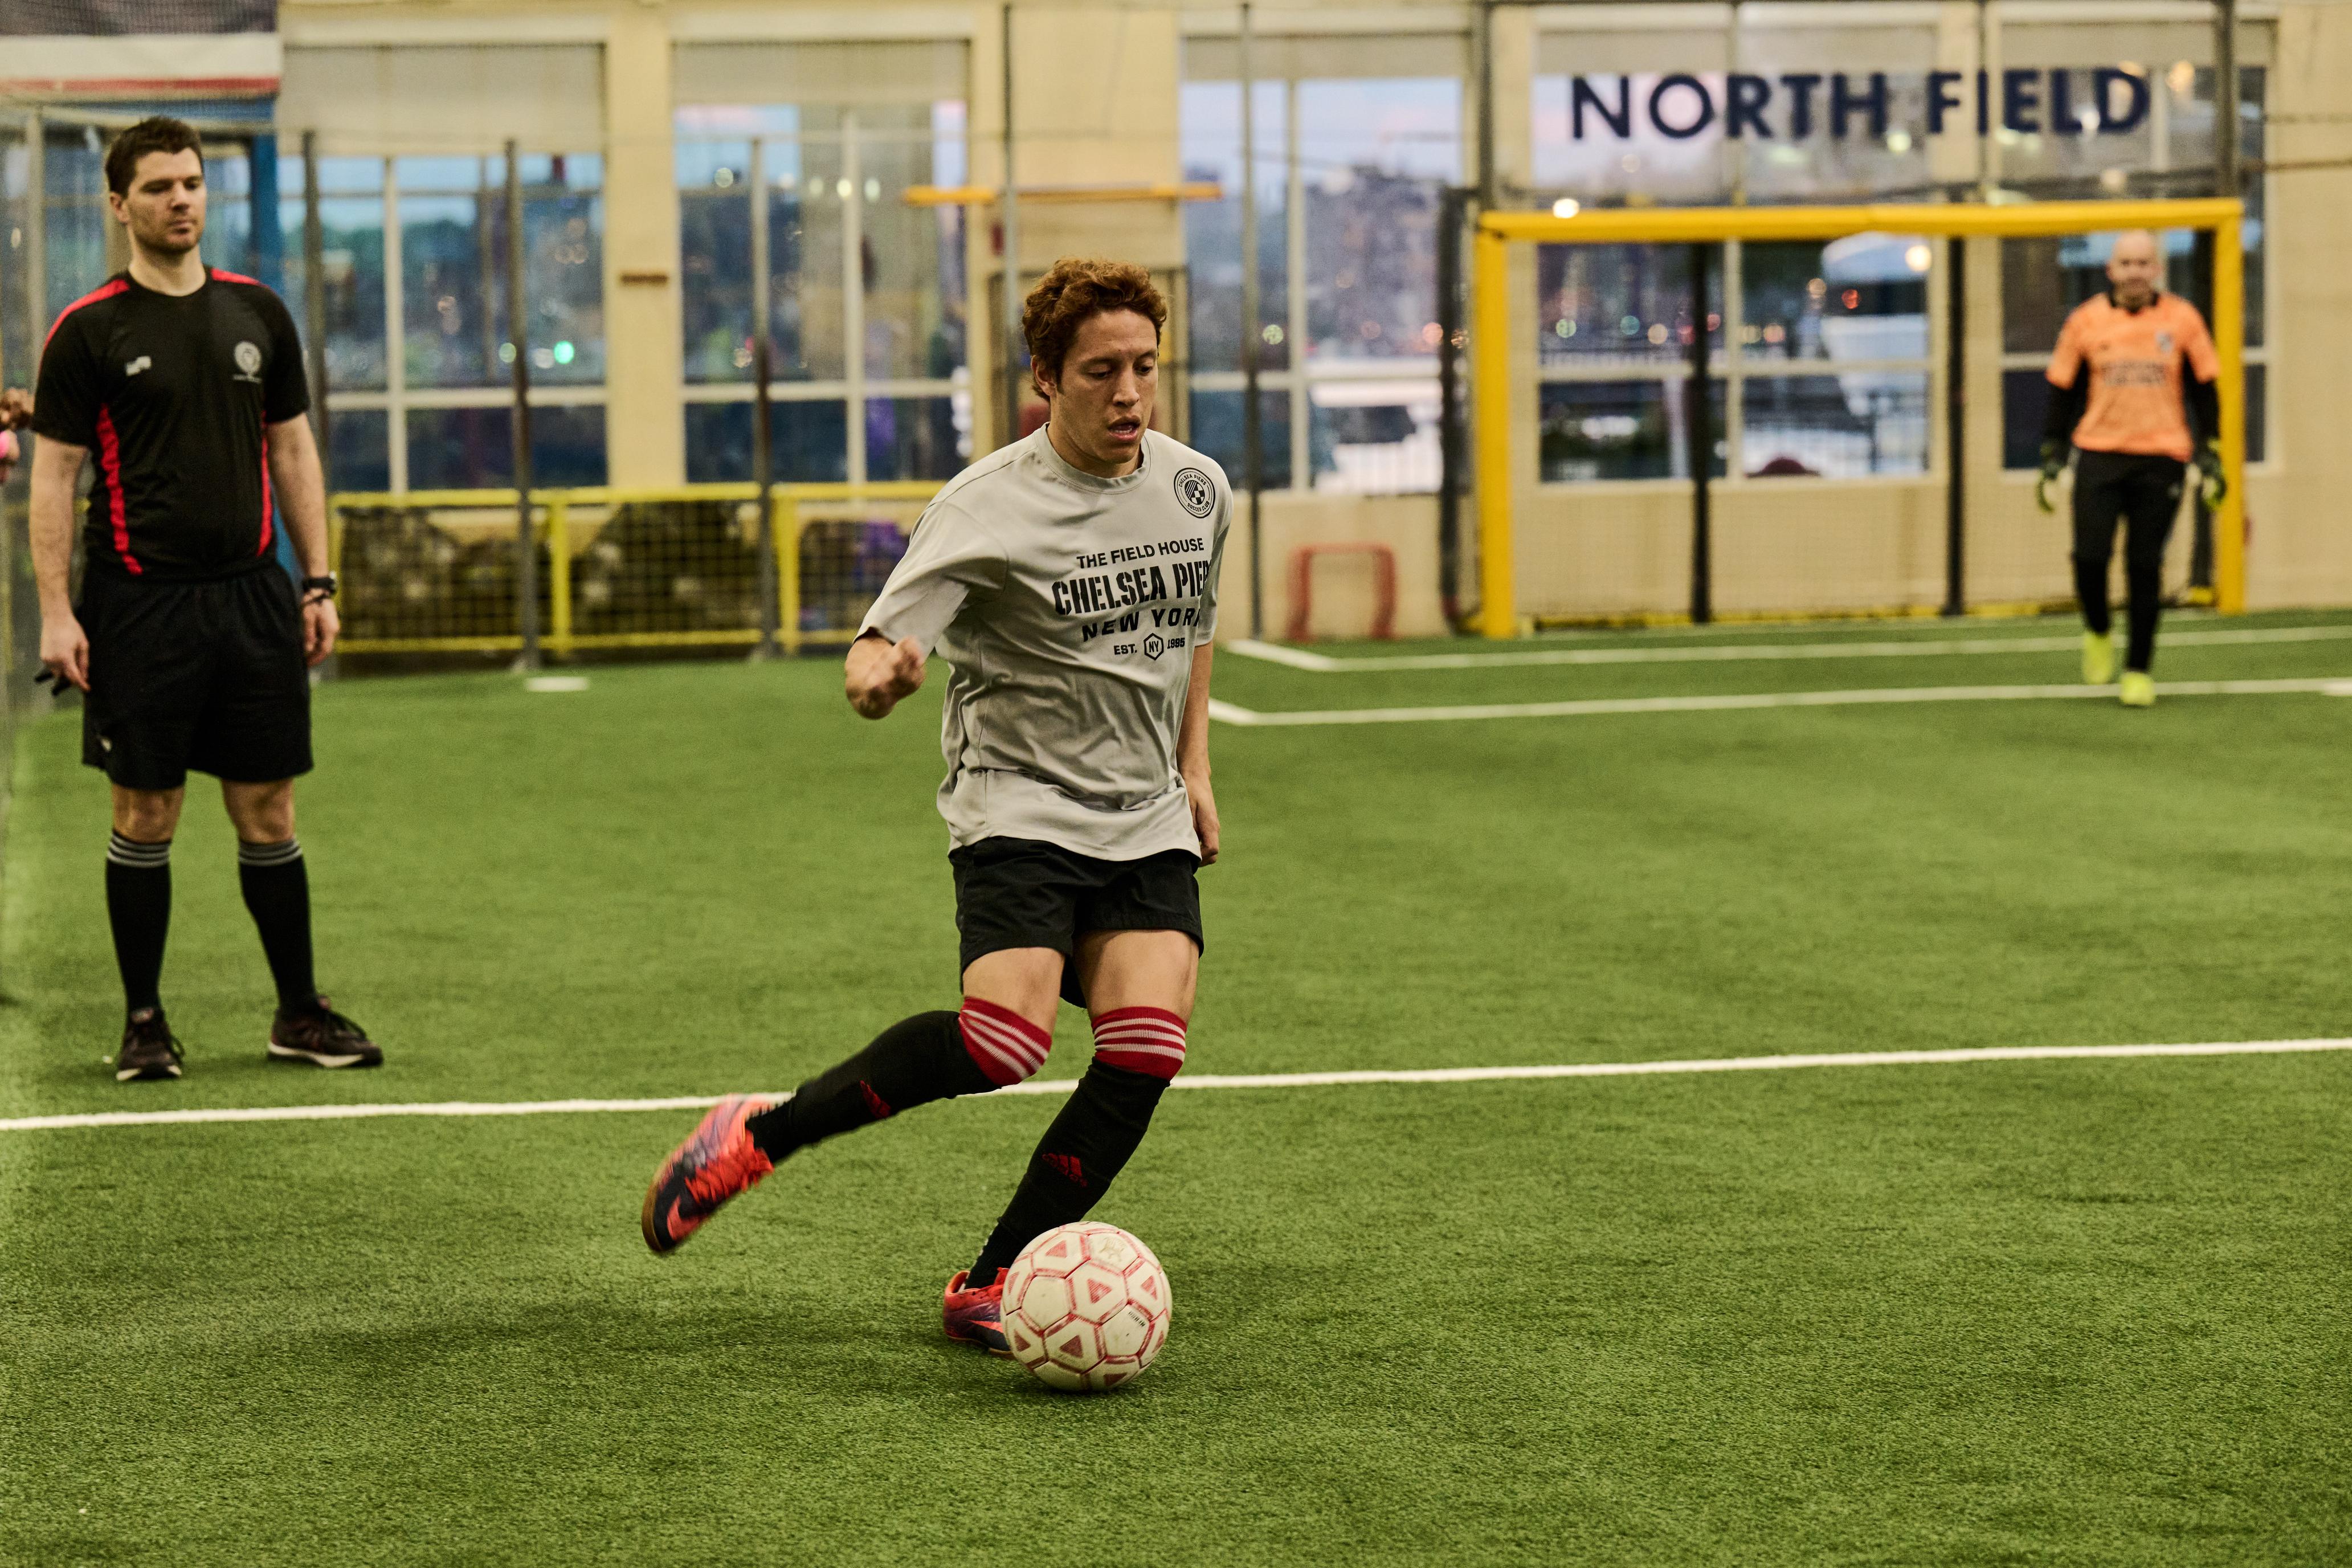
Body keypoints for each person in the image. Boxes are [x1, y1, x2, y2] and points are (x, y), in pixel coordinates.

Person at [639, 256, 1228, 1355]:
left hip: (1141, 812)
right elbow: (876, 646)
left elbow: (1191, 630)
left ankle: (997, 1275)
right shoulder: (985, 506)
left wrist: (1194, 768)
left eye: (1146, 367)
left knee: (1146, 1046)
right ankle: (762, 1132)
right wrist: (878, 680)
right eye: (1101, 371)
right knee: (1005, 1041)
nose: (1130, 394)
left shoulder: (1196, 487)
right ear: (1045, 379)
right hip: (1020, 802)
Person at [28, 116, 379, 1082]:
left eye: (190, 183)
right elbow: (53, 479)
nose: (180, 199)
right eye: (157, 188)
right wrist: (58, 612)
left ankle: (298, 1012)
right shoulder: (89, 330)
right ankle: (144, 1022)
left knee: (268, 806)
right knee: (147, 814)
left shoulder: (259, 314)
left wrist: (317, 578)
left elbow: (295, 451)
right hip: (139, 606)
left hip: (252, 600)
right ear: (119, 205)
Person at [2035, 228, 2227, 709]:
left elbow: (2205, 388)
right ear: (2111, 270)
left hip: (2162, 458)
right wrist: (2052, 454)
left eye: (2144, 263)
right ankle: (2098, 628)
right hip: (2099, 455)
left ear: (2157, 269)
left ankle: (2138, 670)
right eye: (2126, 264)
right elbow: (2063, 390)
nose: (2135, 272)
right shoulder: (2085, 321)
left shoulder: (2182, 319)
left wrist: (2212, 452)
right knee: (2089, 559)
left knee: (2145, 566)